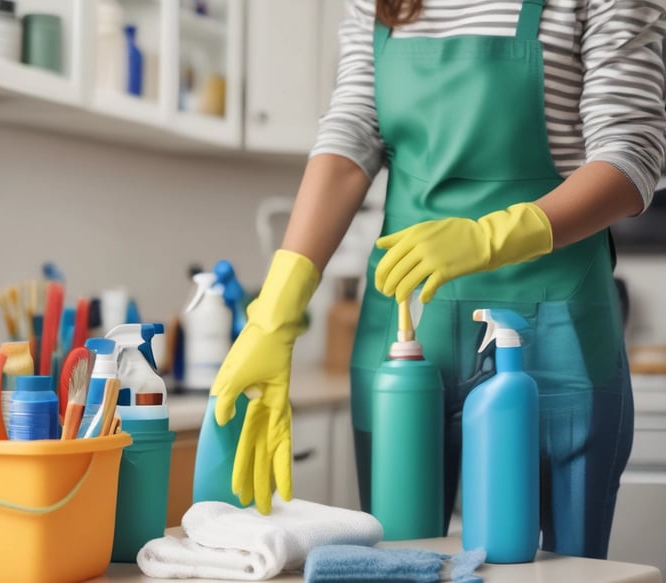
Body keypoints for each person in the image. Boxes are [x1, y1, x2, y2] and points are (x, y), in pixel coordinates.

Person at [210, 0, 666, 560]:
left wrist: (492, 236)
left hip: (556, 321)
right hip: (406, 321)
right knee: (401, 559)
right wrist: (275, 312)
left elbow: (631, 156)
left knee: (561, 566)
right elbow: (351, 136)